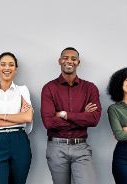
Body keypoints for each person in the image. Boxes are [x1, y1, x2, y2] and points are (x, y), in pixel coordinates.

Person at [40, 47, 101, 184]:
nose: (69, 61)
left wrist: (63, 114)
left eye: (73, 59)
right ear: (60, 61)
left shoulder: (90, 88)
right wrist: (81, 116)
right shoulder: (49, 88)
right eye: (66, 58)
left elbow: (94, 119)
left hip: (81, 147)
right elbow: (48, 122)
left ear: (78, 63)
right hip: (56, 147)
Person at [0, 52, 33, 184]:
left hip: (19, 141)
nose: (7, 68)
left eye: (11, 65)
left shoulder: (23, 90)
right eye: (3, 64)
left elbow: (27, 117)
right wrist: (17, 118)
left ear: (16, 69)